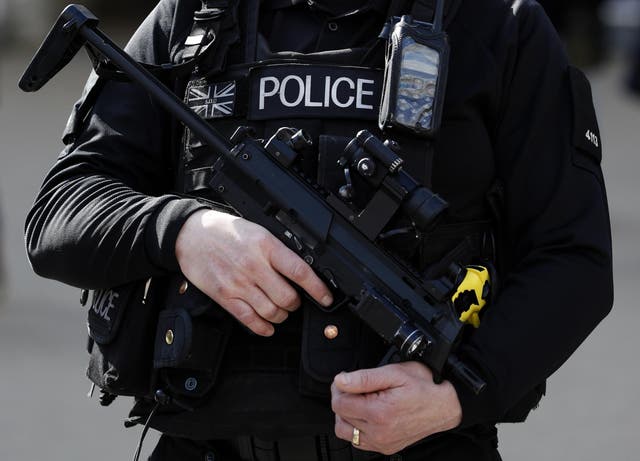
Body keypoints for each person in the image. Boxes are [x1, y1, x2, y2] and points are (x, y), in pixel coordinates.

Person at [24, 0, 613, 460]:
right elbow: (59, 213)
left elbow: (573, 255)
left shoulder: (501, 26)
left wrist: (457, 396)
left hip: (425, 451)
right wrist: (185, 231)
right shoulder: (193, 19)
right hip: (204, 448)